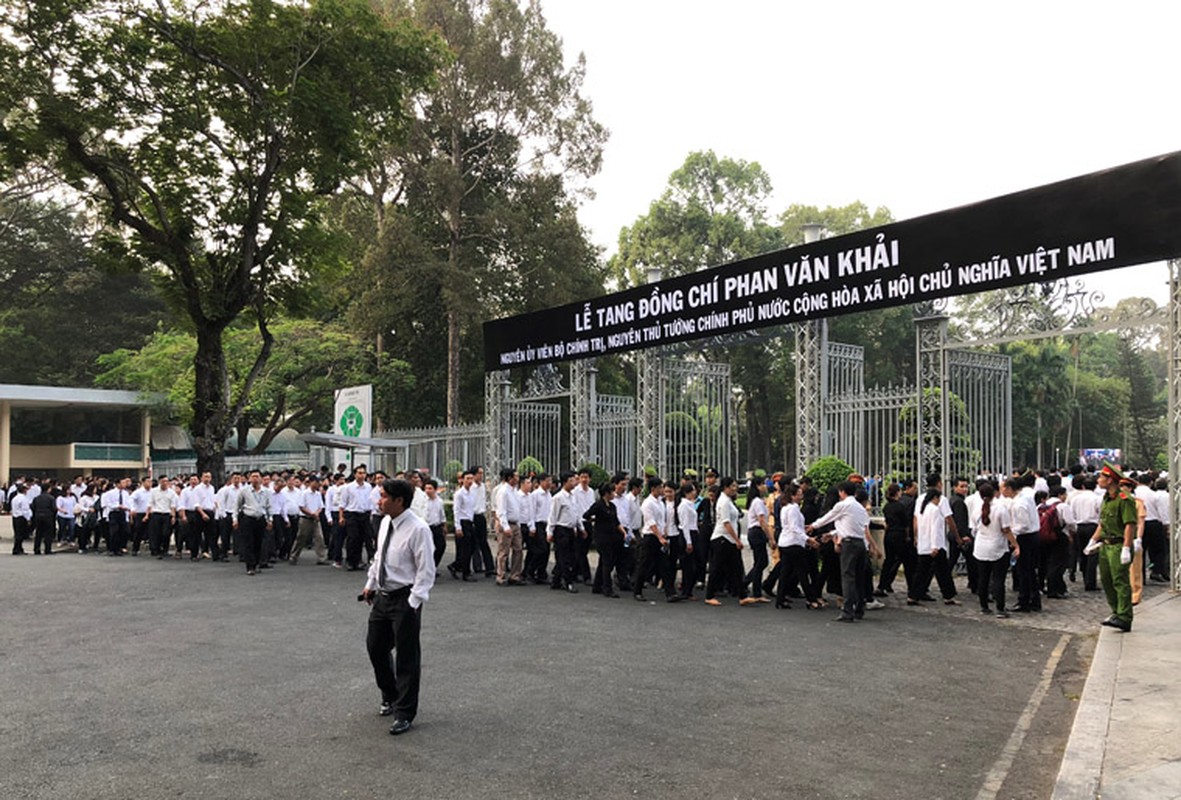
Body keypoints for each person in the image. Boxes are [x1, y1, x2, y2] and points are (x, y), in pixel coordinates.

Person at [361, 478, 435, 736]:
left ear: (399, 501)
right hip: (382, 596)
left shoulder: (418, 529)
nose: (378, 500)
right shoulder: (384, 523)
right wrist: (370, 583)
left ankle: (404, 712)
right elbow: (379, 556)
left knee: (406, 656)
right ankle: (390, 695)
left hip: (405, 599)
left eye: (383, 496)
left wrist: (414, 602)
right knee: (375, 647)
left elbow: (426, 571)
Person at [808, 480, 881, 621]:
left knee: (848, 577)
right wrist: (833, 534)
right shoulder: (859, 508)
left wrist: (814, 526)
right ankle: (859, 609)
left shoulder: (843, 505)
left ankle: (848, 611)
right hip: (860, 544)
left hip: (849, 544)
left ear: (842, 492)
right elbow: (851, 526)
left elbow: (829, 516)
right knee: (859, 577)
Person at [1083, 463, 1138, 632]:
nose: (1098, 480)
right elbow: (1103, 523)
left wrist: (1126, 548)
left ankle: (1124, 616)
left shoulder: (1125, 499)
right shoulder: (1106, 498)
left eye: (1102, 477)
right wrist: (1092, 540)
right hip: (1106, 545)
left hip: (1119, 544)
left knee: (1120, 581)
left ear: (1110, 480)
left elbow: (1129, 525)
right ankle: (1116, 612)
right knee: (1107, 581)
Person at [705, 477, 760, 607]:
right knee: (716, 568)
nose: (735, 489)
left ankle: (742, 595)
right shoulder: (723, 502)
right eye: (733, 486)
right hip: (722, 539)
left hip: (728, 539)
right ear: (726, 488)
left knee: (736, 567)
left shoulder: (728, 501)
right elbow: (726, 523)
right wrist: (737, 539)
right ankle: (709, 595)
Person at [907, 475, 961, 606]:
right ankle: (948, 595)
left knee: (921, 571)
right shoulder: (937, 506)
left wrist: (916, 536)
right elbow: (938, 527)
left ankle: (913, 595)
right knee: (942, 572)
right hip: (935, 544)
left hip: (923, 542)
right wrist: (937, 545)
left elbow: (915, 520)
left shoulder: (921, 502)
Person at [971, 482, 1018, 618]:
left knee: (983, 578)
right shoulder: (1000, 509)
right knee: (998, 579)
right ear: (994, 493)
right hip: (997, 546)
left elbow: (974, 528)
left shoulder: (977, 509)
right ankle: (1000, 607)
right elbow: (1006, 529)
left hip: (981, 546)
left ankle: (983, 606)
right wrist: (1015, 544)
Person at [776, 481, 823, 610]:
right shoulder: (793, 509)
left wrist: (804, 531)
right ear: (792, 496)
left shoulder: (785, 507)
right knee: (802, 573)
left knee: (785, 573)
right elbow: (794, 528)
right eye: (798, 494)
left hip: (785, 542)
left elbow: (793, 526)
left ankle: (780, 599)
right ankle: (811, 599)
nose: (801, 497)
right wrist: (808, 539)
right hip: (793, 543)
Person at [585, 483, 625, 598]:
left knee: (603, 561)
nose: (613, 494)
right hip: (601, 537)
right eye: (612, 492)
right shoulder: (598, 505)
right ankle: (607, 588)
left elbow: (616, 521)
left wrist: (624, 532)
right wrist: (594, 519)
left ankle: (597, 586)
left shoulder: (612, 506)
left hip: (611, 536)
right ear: (606, 493)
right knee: (607, 562)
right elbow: (586, 515)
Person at [234, 470, 273, 576]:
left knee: (259, 543)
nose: (255, 478)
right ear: (249, 478)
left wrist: (270, 520)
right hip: (248, 518)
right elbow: (237, 506)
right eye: (253, 476)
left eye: (257, 476)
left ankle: (256, 564)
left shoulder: (266, 492)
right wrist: (235, 519)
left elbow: (269, 506)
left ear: (261, 478)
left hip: (260, 519)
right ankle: (250, 566)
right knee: (248, 543)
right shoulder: (244, 491)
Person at [547, 471, 580, 593]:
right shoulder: (558, 497)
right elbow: (553, 515)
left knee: (570, 556)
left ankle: (556, 580)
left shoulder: (572, 496)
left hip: (571, 529)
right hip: (561, 529)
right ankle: (568, 582)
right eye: (572, 480)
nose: (574, 483)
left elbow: (575, 514)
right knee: (564, 557)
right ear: (565, 482)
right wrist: (550, 532)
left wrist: (578, 527)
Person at [493, 467, 524, 586]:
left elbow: (517, 509)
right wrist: (505, 527)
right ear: (510, 478)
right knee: (503, 551)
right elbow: (501, 511)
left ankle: (515, 575)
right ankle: (500, 576)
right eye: (515, 476)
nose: (518, 478)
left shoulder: (515, 491)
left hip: (515, 524)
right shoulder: (503, 491)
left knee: (518, 549)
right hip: (506, 524)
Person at [290, 475, 329, 565]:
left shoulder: (318, 494)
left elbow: (321, 506)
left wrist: (317, 513)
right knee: (301, 538)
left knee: (319, 538)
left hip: (315, 519)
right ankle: (294, 556)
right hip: (305, 518)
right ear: (311, 482)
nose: (318, 485)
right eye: (316, 483)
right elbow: (301, 506)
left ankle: (321, 558)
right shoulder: (304, 493)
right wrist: (311, 513)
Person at [447, 470, 476, 581]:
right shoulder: (459, 494)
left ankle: (456, 565)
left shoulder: (471, 493)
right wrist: (458, 527)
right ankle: (466, 573)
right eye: (467, 479)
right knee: (466, 549)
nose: (470, 481)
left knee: (472, 546)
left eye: (471, 479)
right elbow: (456, 511)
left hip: (469, 522)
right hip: (462, 522)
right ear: (462, 480)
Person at [743, 481, 770, 599]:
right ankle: (746, 583)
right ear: (758, 486)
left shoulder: (757, 501)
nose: (765, 486)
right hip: (757, 532)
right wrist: (770, 537)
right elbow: (762, 521)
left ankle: (755, 589)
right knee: (762, 562)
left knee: (759, 562)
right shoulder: (758, 502)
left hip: (754, 533)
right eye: (762, 484)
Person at [423, 479, 447, 570]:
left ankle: (433, 566)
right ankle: (427, 568)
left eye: (430, 488)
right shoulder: (423, 501)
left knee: (441, 547)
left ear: (435, 489)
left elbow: (442, 514)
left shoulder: (439, 501)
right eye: (426, 488)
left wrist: (444, 525)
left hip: (436, 527)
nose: (427, 491)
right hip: (426, 527)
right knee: (427, 549)